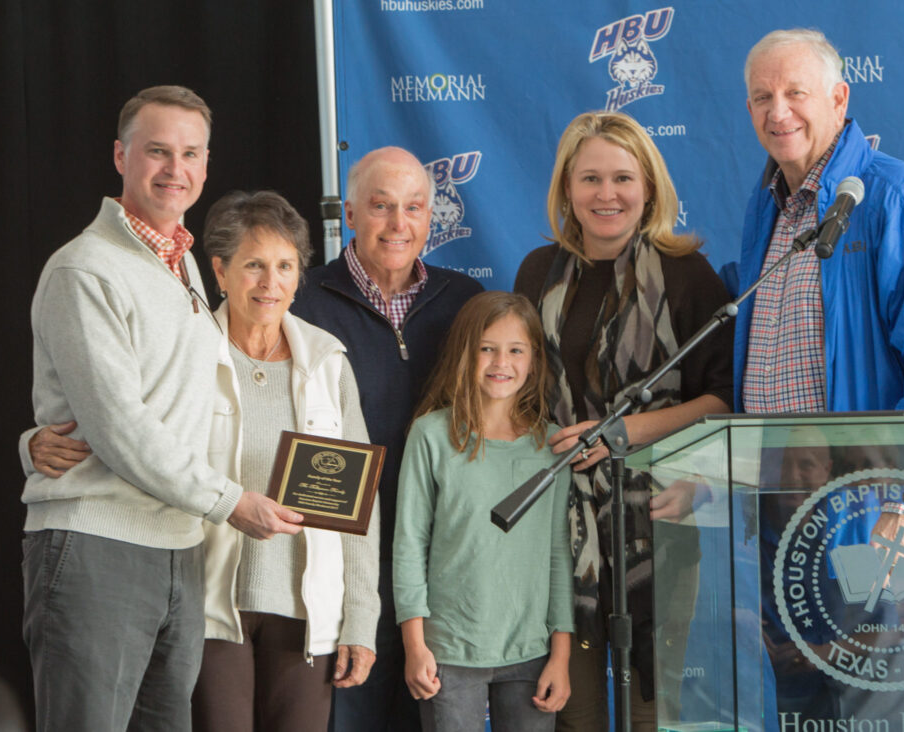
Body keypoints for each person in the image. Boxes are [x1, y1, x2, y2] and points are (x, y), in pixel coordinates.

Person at [24, 190, 381, 731]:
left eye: (285, 266)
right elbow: (126, 426)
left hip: (308, 611)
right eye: (253, 265)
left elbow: (357, 505)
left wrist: (361, 617)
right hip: (208, 603)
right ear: (219, 270)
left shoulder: (328, 361)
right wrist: (32, 442)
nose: (270, 282)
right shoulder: (191, 348)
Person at [19, 86, 303, 731]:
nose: (175, 170)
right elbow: (120, 426)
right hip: (98, 542)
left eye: (190, 153)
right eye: (157, 151)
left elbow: (180, 403)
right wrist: (231, 501)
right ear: (121, 156)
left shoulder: (181, 267)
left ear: (206, 166)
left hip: (179, 545)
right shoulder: (85, 269)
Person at [734, 28, 904, 727]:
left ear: (840, 99)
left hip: (879, 529)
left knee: (884, 716)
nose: (777, 110)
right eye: (761, 97)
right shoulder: (765, 210)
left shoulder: (897, 197)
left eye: (795, 93)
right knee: (804, 714)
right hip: (790, 528)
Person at [513, 111, 734, 731]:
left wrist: (623, 435)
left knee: (652, 711)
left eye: (622, 178)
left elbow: (721, 397)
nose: (606, 194)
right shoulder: (538, 272)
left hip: (657, 517)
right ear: (566, 191)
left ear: (649, 189)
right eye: (589, 179)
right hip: (560, 521)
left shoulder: (688, 274)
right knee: (572, 712)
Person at [292, 146, 484, 731]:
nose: (399, 224)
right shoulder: (302, 300)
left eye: (414, 208)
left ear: (432, 216)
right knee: (355, 714)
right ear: (350, 213)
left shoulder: (465, 303)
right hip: (346, 557)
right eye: (381, 207)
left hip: (443, 560)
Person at [393, 291, 574, 731]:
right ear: (465, 353)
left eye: (516, 350)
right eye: (487, 349)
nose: (501, 362)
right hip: (448, 652)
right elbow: (410, 544)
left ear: (534, 360)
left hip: (530, 652)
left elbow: (558, 554)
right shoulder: (431, 435)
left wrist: (561, 655)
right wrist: (415, 645)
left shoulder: (552, 446)